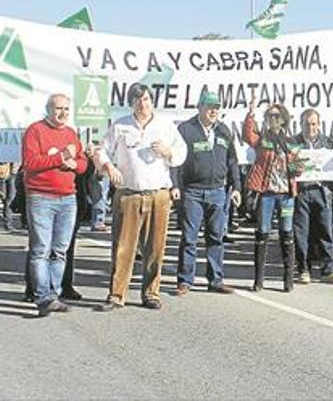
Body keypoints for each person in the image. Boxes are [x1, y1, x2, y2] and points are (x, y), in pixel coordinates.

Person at [96, 83, 187, 311]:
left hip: (158, 194)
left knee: (155, 248)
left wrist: (168, 152)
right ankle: (117, 294)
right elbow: (101, 150)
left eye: (145, 99)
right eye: (137, 100)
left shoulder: (165, 125)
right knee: (123, 247)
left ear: (152, 101)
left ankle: (151, 293)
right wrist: (108, 167)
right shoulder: (120, 125)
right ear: (131, 103)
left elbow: (181, 152)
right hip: (129, 194)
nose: (142, 104)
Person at [21, 93, 87, 316]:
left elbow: (83, 163)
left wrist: (74, 165)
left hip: (68, 198)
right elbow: (30, 162)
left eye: (67, 109)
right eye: (59, 108)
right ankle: (42, 297)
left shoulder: (70, 133)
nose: (63, 113)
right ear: (49, 109)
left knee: (60, 250)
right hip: (41, 197)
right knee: (41, 250)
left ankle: (53, 293)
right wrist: (59, 158)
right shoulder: (35, 130)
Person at [171, 91, 242, 296]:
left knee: (216, 238)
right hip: (192, 192)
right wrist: (175, 185)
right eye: (210, 107)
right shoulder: (185, 129)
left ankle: (216, 280)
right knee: (190, 238)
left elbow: (232, 161)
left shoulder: (224, 130)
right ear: (200, 107)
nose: (214, 111)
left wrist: (236, 187)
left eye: (217, 107)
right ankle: (185, 280)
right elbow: (176, 161)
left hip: (218, 191)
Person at [243, 98, 302, 292]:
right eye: (269, 116)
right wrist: (251, 114)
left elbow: (297, 166)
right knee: (263, 232)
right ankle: (258, 280)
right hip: (267, 194)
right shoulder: (262, 139)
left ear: (284, 119)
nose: (273, 119)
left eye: (276, 116)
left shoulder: (291, 142)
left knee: (287, 233)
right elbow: (248, 135)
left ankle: (288, 279)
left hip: (285, 195)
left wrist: (298, 168)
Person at [292, 108, 333, 285]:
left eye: (314, 124)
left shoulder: (327, 142)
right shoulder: (294, 143)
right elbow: (287, 167)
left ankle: (328, 270)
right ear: (301, 124)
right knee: (302, 233)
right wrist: (294, 168)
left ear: (319, 124)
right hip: (301, 192)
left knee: (327, 231)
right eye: (307, 124)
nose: (311, 127)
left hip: (323, 191)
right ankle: (303, 269)